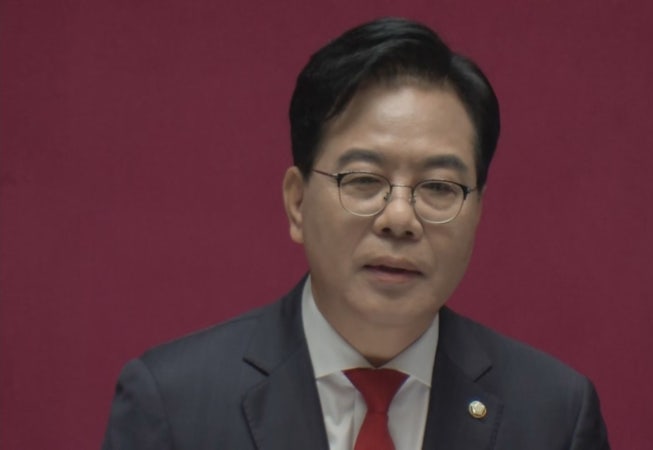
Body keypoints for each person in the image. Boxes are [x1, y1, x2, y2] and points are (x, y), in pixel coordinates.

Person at [102, 17, 610, 450]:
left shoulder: (554, 416)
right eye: (364, 180)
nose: (400, 218)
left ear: (477, 211)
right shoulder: (173, 407)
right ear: (298, 202)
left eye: (438, 187)